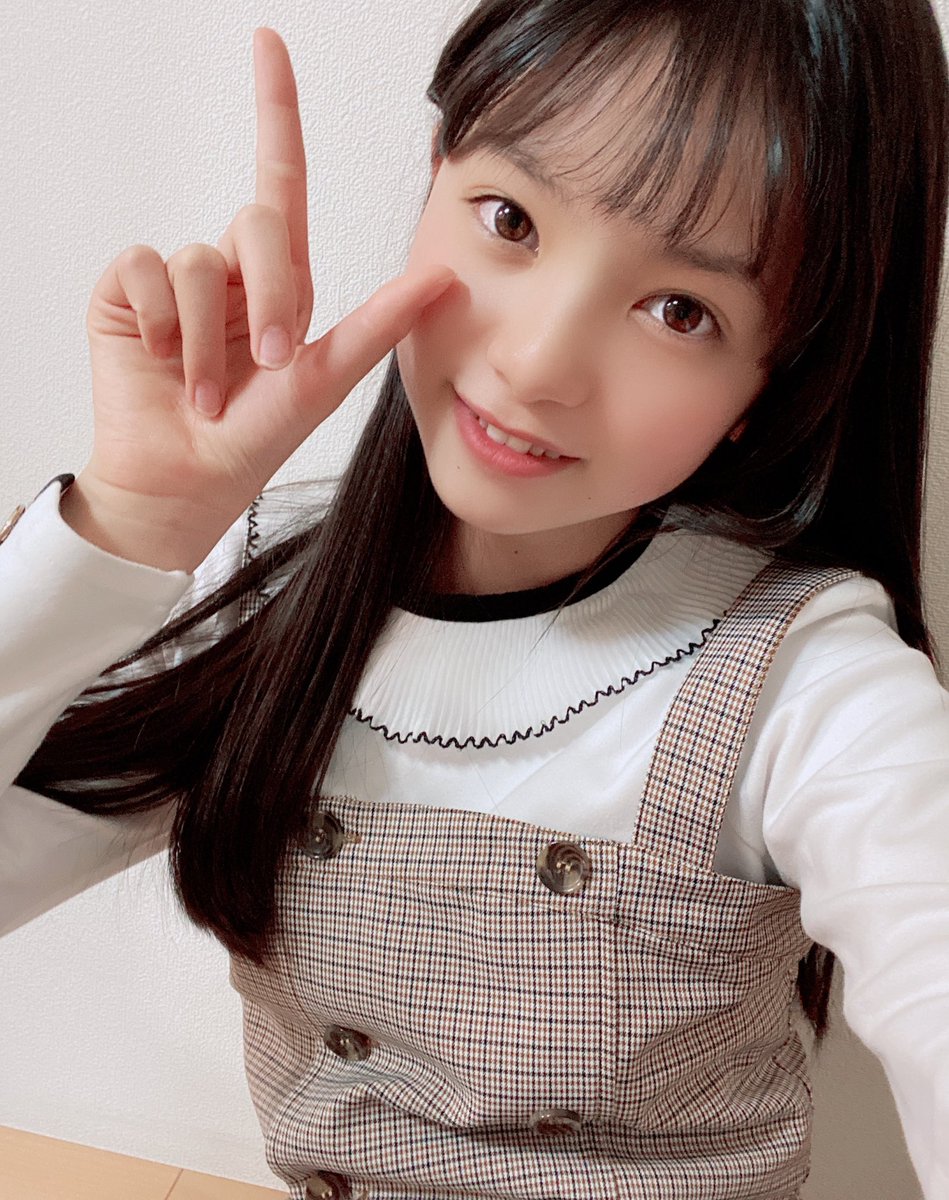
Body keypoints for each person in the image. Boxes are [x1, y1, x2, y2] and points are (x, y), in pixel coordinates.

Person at [1, 1, 948, 1197]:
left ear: (776, 381)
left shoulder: (805, 679)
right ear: (435, 175)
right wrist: (126, 528)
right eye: (511, 220)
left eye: (681, 310)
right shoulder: (268, 587)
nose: (537, 363)